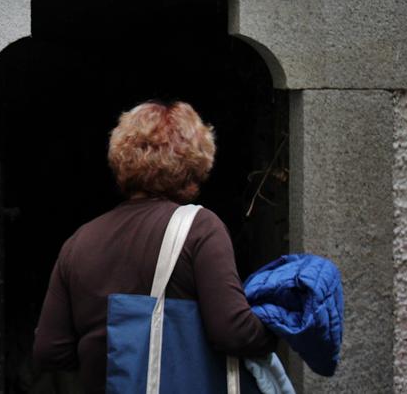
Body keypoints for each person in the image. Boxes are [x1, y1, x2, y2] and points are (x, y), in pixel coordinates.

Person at [32, 101, 275, 394]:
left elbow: (49, 350)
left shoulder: (78, 242)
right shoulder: (200, 228)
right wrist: (275, 331)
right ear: (196, 162)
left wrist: (111, 359)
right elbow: (232, 333)